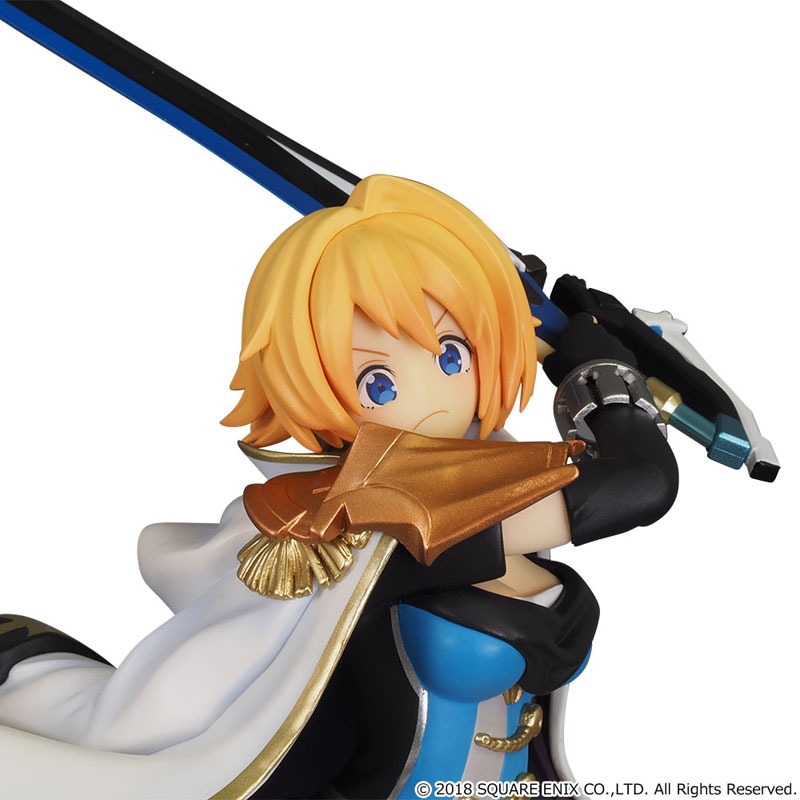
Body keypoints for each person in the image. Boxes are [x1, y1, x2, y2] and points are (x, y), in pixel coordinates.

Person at [0, 175, 676, 799]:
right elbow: (641, 485)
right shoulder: (394, 504)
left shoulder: (491, 474)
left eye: (452, 353)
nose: (431, 398)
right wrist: (602, 378)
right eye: (377, 382)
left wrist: (559, 340)